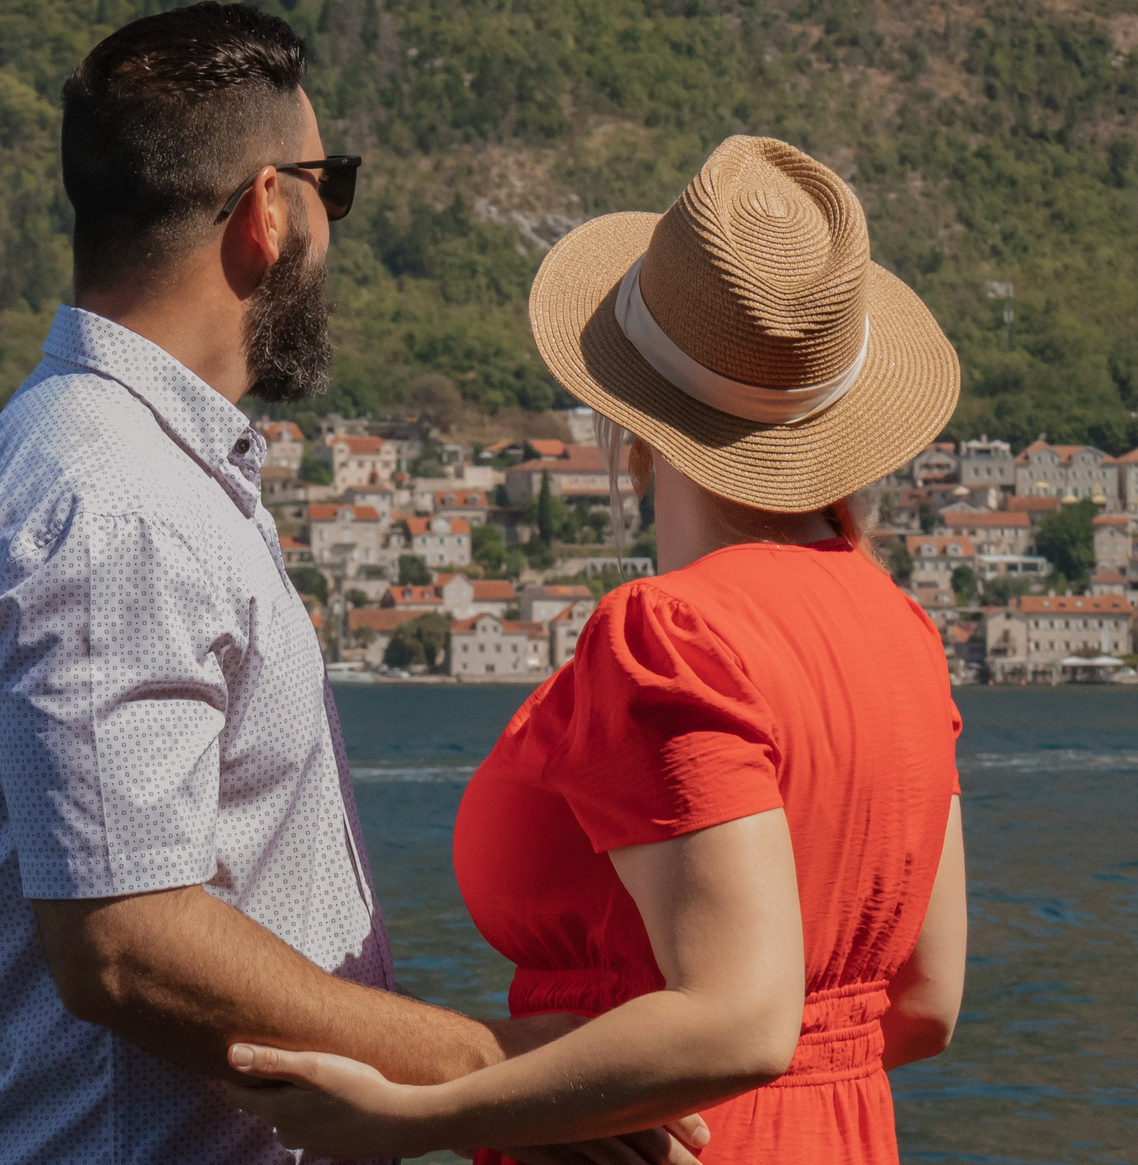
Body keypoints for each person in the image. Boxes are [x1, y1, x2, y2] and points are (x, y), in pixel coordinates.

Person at [0, 3, 695, 1165]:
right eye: (334, 186)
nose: (336, 227)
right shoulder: (121, 502)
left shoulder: (111, 463)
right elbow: (127, 937)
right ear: (270, 209)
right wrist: (493, 1071)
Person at [226, 135, 969, 1165]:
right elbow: (925, 1003)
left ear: (629, 417)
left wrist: (413, 1116)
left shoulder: (669, 636)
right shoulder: (905, 633)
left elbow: (737, 1022)